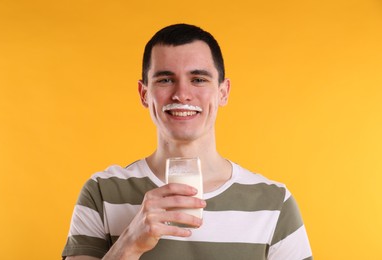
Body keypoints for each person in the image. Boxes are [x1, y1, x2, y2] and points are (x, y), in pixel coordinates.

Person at [62, 23, 313, 260]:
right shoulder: (101, 192)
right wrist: (129, 244)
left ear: (223, 92)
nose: (182, 93)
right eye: (165, 79)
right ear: (144, 94)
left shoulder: (274, 203)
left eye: (198, 79)